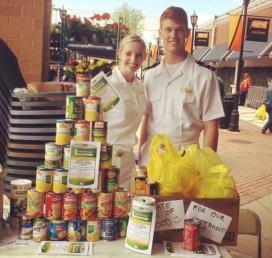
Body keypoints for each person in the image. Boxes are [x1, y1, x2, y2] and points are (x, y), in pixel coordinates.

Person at [139, 6, 224, 165]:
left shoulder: (204, 77)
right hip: (151, 159)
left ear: (187, 32)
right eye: (168, 29)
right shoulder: (150, 76)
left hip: (185, 161)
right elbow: (147, 118)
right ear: (160, 32)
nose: (173, 35)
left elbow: (211, 126)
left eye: (179, 30)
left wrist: (207, 169)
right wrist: (140, 157)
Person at [103, 35, 146, 189]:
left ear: (144, 57)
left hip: (128, 159)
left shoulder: (141, 88)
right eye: (128, 53)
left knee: (123, 207)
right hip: (106, 160)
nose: (133, 59)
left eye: (139, 55)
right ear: (119, 53)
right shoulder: (106, 85)